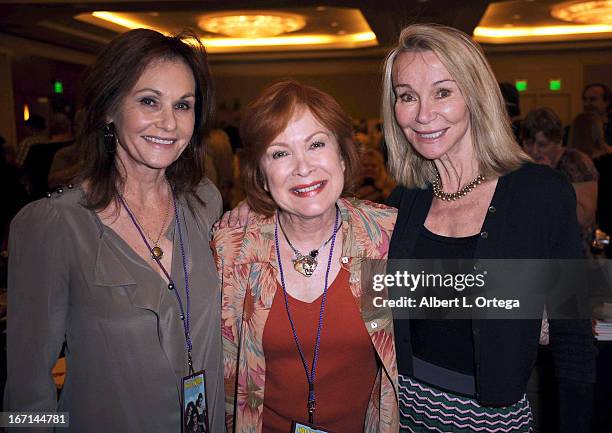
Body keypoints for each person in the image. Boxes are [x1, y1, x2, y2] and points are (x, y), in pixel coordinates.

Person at [5, 28, 225, 432]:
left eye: (183, 105)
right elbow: (25, 388)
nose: (169, 123)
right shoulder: (52, 225)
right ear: (109, 108)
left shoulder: (203, 202)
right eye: (148, 101)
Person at [381, 24, 596, 432]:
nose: (423, 114)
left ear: (476, 96)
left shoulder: (541, 193)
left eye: (443, 92)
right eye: (407, 96)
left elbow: (573, 341)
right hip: (399, 415)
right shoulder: (403, 200)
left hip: (492, 421)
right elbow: (377, 314)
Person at [212, 81, 398, 433]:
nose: (302, 167)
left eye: (316, 144)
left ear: (342, 155)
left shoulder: (384, 238)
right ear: (262, 175)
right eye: (280, 153)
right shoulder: (232, 250)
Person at [522, 107, 599, 255]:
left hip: (574, 251)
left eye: (543, 145)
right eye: (529, 144)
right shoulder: (523, 163)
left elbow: (585, 217)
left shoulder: (576, 163)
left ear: (558, 142)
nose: (535, 151)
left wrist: (549, 181)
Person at [568, 111, 612, 255]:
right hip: (604, 223)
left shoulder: (576, 166)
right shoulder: (605, 160)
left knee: (598, 259)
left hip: (595, 227)